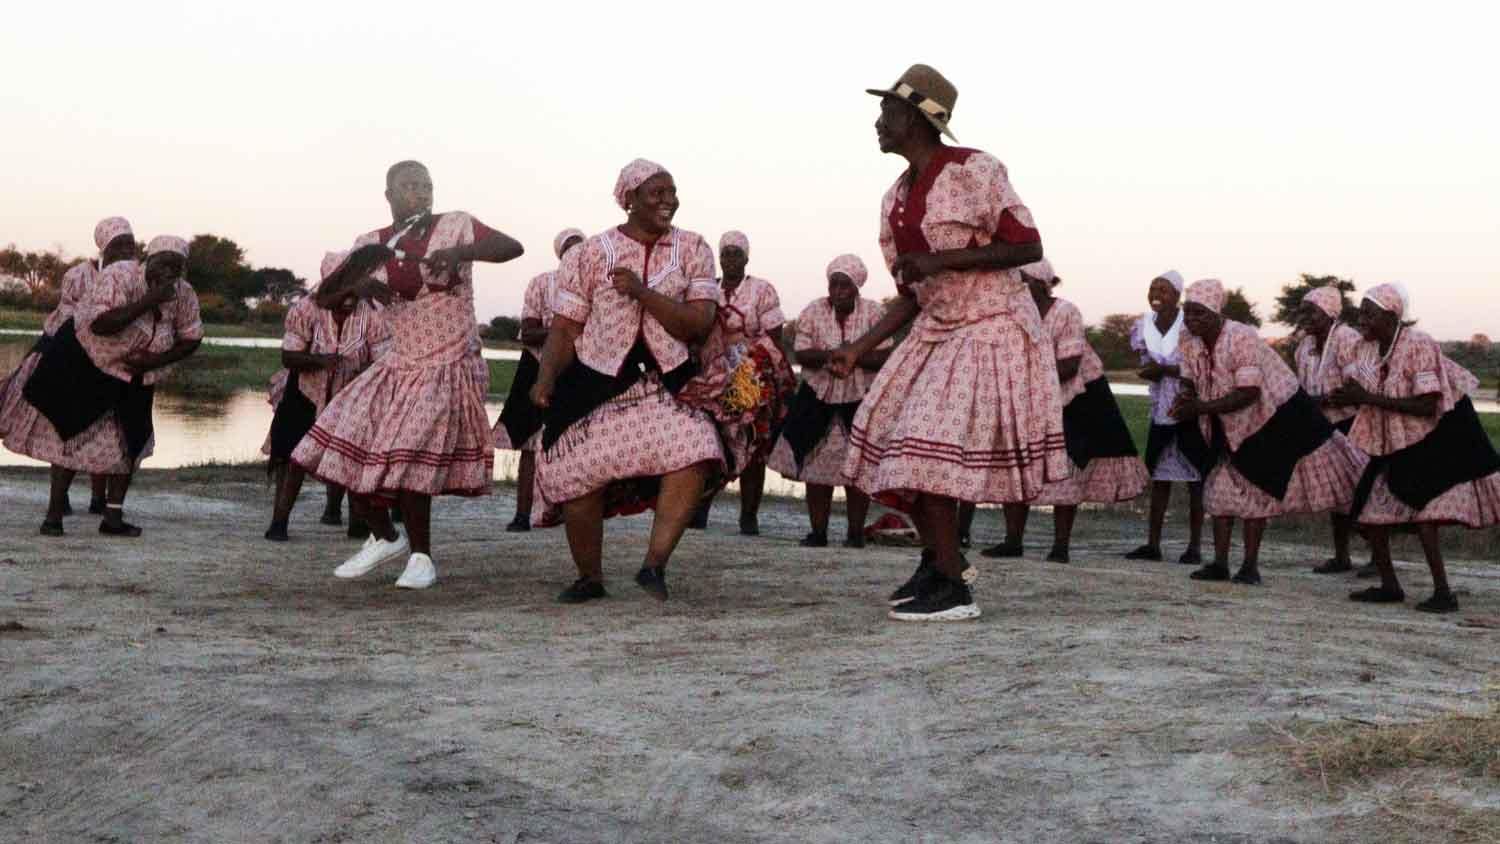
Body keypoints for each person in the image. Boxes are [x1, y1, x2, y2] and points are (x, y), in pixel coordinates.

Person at [829, 64, 1067, 622]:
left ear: (916, 118)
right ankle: (939, 561)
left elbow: (1027, 247)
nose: (878, 122)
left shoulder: (974, 169)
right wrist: (859, 347)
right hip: (937, 329)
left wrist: (943, 259)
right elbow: (911, 295)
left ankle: (955, 589)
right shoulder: (895, 199)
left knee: (923, 448)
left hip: (990, 326)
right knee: (888, 437)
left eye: (887, 111)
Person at [293, 160, 523, 589]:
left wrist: (462, 253)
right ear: (389, 195)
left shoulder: (455, 224)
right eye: (410, 186)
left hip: (448, 363)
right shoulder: (372, 243)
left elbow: (512, 247)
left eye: (426, 185)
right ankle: (384, 537)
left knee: (409, 454)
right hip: (398, 364)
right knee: (345, 444)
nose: (421, 193)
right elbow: (325, 297)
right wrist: (357, 287)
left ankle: (421, 557)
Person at [529, 159, 726, 603]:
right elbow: (565, 327)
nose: (668, 201)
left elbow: (698, 324)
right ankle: (589, 578)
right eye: (657, 193)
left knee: (697, 449)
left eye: (672, 192)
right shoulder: (589, 253)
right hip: (596, 380)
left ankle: (653, 566)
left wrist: (642, 292)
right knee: (577, 471)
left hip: (667, 381)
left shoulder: (694, 248)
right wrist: (545, 379)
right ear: (630, 199)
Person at [1171, 279, 1366, 585]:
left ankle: (1249, 566)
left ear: (1216, 313)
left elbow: (1249, 392)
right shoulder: (1188, 338)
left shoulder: (1241, 336)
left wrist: (1200, 408)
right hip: (1223, 418)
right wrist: (1186, 396)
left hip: (1269, 418)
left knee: (1258, 488)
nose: (1191, 319)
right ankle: (1219, 564)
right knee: (1219, 487)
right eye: (1188, 312)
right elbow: (1188, 375)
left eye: (1199, 313)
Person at [5, 235, 202, 536]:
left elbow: (192, 337)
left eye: (175, 268)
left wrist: (155, 361)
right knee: (70, 435)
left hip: (137, 375)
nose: (168, 273)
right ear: (148, 260)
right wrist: (150, 300)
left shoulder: (184, 294)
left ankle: (112, 518)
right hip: (89, 364)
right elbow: (101, 324)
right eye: (163, 264)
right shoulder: (119, 276)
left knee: (130, 442)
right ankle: (54, 517)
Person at [1331, 283, 1500, 613]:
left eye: (1369, 313)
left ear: (1392, 316)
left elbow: (1427, 405)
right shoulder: (1366, 349)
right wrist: (1348, 397)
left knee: (1426, 514)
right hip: (1399, 434)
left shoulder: (1418, 344)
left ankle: (1443, 593)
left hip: (1443, 431)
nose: (1362, 319)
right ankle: (1390, 586)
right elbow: (1365, 391)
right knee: (1368, 508)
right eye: (1361, 313)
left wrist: (1367, 398)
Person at [981, 259, 1149, 563]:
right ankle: (1012, 541)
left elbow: (1070, 365)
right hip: (1029, 395)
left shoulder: (1066, 312)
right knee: (1019, 462)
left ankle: (1060, 546)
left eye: (1021, 280)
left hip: (1075, 397)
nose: (1015, 286)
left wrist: (1026, 379)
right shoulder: (1012, 313)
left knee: (1068, 467)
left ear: (1040, 284)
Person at [0, 217, 137, 517]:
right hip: (71, 361)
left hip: (113, 365)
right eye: (119, 245)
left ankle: (97, 499)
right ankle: (59, 502)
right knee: (67, 427)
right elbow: (68, 319)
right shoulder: (79, 275)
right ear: (103, 247)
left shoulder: (136, 276)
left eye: (131, 244)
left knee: (106, 430)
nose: (127, 251)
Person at [262, 248, 392, 542]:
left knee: (353, 455)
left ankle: (356, 522)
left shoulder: (372, 315)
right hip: (305, 390)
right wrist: (321, 362)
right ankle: (279, 522)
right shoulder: (306, 309)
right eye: (343, 286)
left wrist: (361, 375)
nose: (349, 296)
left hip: (354, 393)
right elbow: (289, 356)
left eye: (354, 286)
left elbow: (383, 360)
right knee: (292, 457)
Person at [767, 254, 892, 548]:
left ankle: (855, 534)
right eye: (833, 284)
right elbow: (802, 353)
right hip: (818, 396)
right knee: (815, 466)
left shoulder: (874, 313)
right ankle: (818, 532)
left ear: (857, 286)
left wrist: (853, 356)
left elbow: (884, 356)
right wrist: (834, 355)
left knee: (858, 467)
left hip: (860, 397)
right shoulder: (813, 310)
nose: (837, 291)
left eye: (844, 285)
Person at [688, 231, 791, 535]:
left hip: (751, 377)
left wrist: (750, 365)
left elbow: (774, 336)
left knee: (752, 444)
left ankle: (748, 516)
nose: (730, 259)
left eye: (736, 253)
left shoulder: (761, 290)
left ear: (746, 258)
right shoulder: (707, 289)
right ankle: (699, 509)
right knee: (710, 442)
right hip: (711, 376)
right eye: (726, 254)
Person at [492, 227, 584, 533]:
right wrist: (563, 330)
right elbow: (528, 333)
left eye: (580, 247)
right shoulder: (542, 283)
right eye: (569, 248)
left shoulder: (595, 286)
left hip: (578, 370)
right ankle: (522, 515)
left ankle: (566, 513)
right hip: (536, 367)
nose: (575, 253)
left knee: (575, 443)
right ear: (560, 254)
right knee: (530, 444)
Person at [1125, 270, 1207, 564]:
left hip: (1189, 405)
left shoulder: (1190, 324)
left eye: (1163, 289)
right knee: (1159, 476)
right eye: (1152, 288)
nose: (1156, 294)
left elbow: (1201, 368)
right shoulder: (1143, 325)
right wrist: (1150, 371)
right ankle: (1153, 544)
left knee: (1197, 476)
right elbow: (1146, 361)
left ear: (1176, 295)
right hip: (1161, 408)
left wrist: (1166, 370)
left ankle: (1194, 547)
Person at [1293, 285, 1367, 574]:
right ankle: (1342, 556)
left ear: (1329, 312)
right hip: (1323, 426)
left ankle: (1377, 557)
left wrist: (1320, 401)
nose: (1305, 317)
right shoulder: (1305, 346)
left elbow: (1356, 389)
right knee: (1339, 492)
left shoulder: (1347, 338)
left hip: (1353, 423)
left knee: (1363, 490)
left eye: (1311, 311)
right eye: (1303, 311)